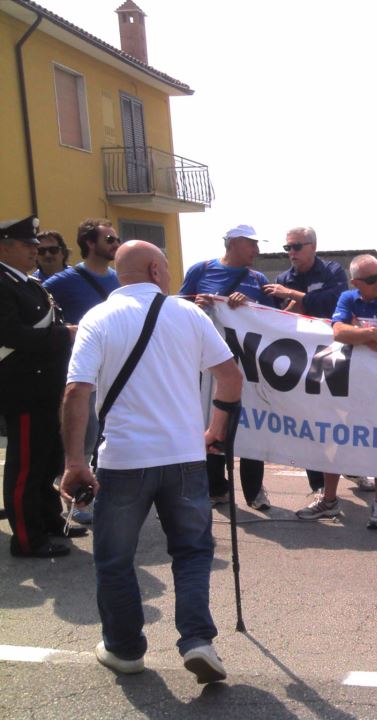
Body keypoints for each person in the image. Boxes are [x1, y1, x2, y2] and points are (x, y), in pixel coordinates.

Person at [60, 240, 243, 683]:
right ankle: (198, 640)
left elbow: (76, 391)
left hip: (123, 459)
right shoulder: (188, 314)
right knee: (193, 551)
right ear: (157, 271)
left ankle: (125, 650)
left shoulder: (97, 318)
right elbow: (231, 377)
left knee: (115, 557)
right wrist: (216, 429)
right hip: (184, 456)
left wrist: (73, 462)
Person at [261, 227, 369, 513]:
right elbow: (277, 318)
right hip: (301, 361)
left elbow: (336, 302)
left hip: (334, 355)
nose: (291, 253)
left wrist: (296, 296)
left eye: (296, 247)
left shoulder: (332, 271)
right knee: (309, 421)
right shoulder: (283, 278)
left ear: (313, 246)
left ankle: (353, 468)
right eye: (287, 248)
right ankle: (320, 487)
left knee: (344, 418)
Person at [306, 254, 377, 529]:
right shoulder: (348, 298)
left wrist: (357, 332)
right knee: (335, 440)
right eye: (373, 279)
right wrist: (373, 333)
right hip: (344, 384)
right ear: (356, 282)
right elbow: (338, 332)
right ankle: (329, 499)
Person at [0, 216, 80, 557]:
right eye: (27, 245)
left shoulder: (30, 284)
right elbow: (12, 335)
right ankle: (27, 537)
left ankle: (48, 519)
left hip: (47, 387)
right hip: (24, 390)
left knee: (48, 460)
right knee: (26, 466)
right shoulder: (3, 284)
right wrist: (65, 334)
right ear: (4, 247)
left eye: (37, 246)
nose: (35, 251)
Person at [180, 224, 271, 511]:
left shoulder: (258, 278)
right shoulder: (201, 270)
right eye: (252, 244)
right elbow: (180, 305)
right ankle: (217, 488)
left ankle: (255, 492)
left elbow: (272, 319)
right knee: (212, 422)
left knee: (250, 425)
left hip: (248, 366)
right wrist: (198, 303)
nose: (257, 250)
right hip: (209, 364)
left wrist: (249, 305)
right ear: (233, 243)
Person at [44, 219, 122, 520]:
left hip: (114, 369)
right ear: (90, 243)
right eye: (110, 239)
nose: (116, 244)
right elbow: (40, 317)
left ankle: (97, 493)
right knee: (84, 437)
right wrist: (68, 330)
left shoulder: (119, 279)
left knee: (106, 436)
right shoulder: (61, 282)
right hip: (83, 372)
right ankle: (77, 501)